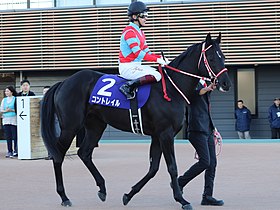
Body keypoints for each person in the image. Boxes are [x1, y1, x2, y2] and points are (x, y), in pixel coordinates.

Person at [177, 79, 224, 206]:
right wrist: (205, 89)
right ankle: (180, 182)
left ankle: (207, 196)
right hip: (196, 129)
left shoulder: (204, 84)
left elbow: (205, 106)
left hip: (207, 128)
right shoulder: (190, 84)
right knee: (205, 162)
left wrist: (212, 128)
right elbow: (191, 96)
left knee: (212, 164)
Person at [118, 1, 168, 99]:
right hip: (127, 68)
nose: (146, 18)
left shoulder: (140, 32)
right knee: (156, 75)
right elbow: (138, 53)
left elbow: (147, 52)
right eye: (143, 15)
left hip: (136, 66)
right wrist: (156, 60)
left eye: (146, 15)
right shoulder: (130, 32)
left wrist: (160, 57)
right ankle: (127, 87)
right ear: (134, 17)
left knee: (158, 72)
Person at [0, 86, 18, 158]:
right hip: (6, 120)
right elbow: (1, 110)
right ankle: (9, 150)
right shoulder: (4, 100)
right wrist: (6, 111)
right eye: (5, 91)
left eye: (8, 91)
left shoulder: (15, 99)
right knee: (8, 136)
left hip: (14, 119)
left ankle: (16, 150)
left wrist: (11, 110)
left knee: (15, 136)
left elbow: (18, 109)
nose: (6, 92)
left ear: (12, 92)